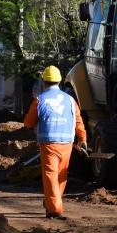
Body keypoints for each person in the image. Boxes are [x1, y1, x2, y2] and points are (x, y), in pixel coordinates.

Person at [23, 65, 87, 220]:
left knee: (50, 175)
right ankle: (53, 203)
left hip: (49, 143)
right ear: (59, 81)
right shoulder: (70, 100)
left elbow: (29, 123)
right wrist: (83, 139)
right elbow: (78, 121)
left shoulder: (40, 100)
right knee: (60, 175)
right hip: (67, 143)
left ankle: (54, 209)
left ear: (44, 82)